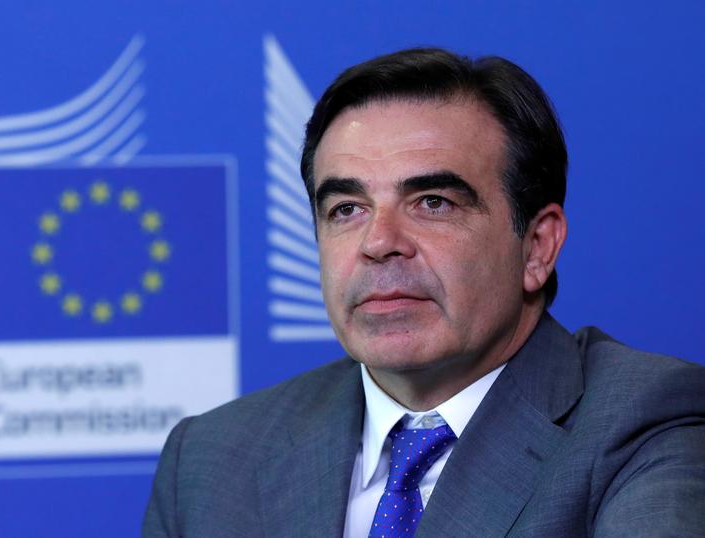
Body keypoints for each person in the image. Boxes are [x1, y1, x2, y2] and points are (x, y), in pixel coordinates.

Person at [143, 48, 705, 537]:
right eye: (347, 209)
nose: (378, 243)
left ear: (536, 247)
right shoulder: (211, 459)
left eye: (433, 203)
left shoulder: (648, 420)